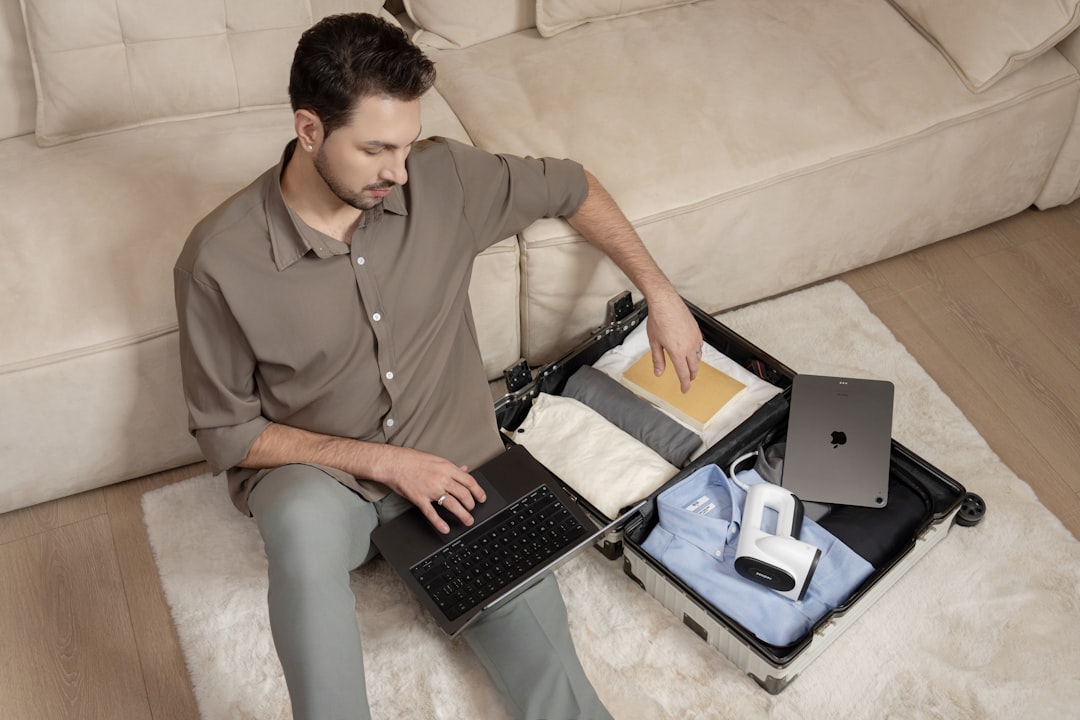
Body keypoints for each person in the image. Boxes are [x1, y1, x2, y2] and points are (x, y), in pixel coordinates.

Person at [174, 12, 703, 720]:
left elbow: (574, 186)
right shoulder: (219, 259)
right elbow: (228, 433)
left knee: (557, 686)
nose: (398, 171)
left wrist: (660, 292)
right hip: (322, 480)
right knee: (298, 531)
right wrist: (386, 464)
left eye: (406, 144)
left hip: (457, 468)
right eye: (375, 149)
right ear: (309, 130)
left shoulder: (441, 177)